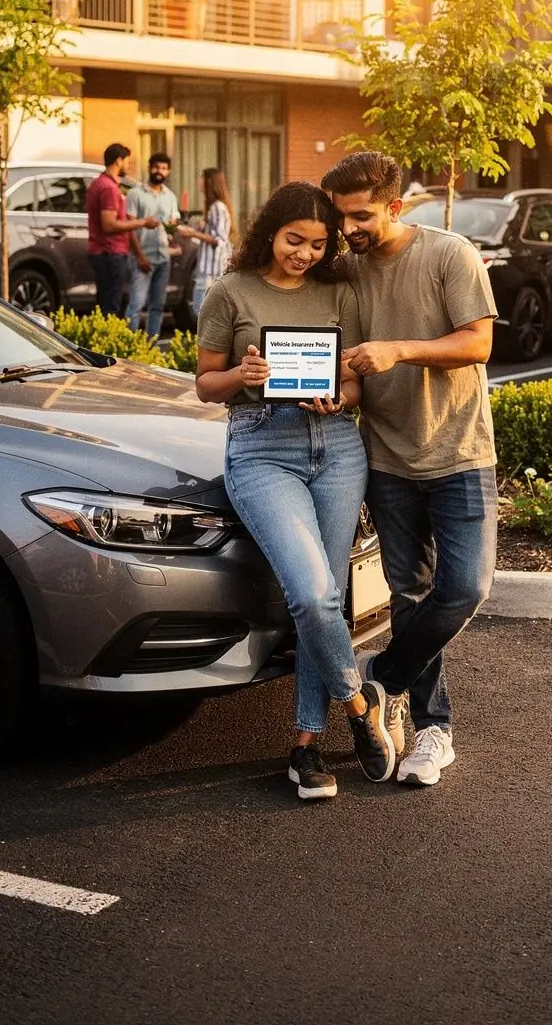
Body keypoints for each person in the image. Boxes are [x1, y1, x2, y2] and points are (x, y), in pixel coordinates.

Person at [195, 181, 394, 801]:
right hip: (261, 447)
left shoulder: (340, 290)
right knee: (310, 595)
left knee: (328, 598)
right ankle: (362, 707)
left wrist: (341, 394)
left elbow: (355, 384)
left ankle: (305, 747)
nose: (305, 253)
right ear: (268, 232)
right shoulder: (231, 291)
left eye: (317, 243)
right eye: (293, 240)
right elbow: (205, 383)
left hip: (335, 445)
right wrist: (242, 374)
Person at [321, 150, 498, 788]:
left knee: (467, 588)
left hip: (460, 453)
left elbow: (477, 343)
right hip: (388, 459)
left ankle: (381, 678)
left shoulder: (450, 254)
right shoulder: (348, 274)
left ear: (396, 207)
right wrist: (330, 391)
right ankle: (433, 730)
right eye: (343, 217)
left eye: (362, 215)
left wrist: (398, 348)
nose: (351, 229)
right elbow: (347, 371)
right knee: (411, 596)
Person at [86, 144, 158, 317]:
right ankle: (108, 341)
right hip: (110, 253)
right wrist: (143, 222)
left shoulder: (99, 183)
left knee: (105, 302)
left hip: (102, 252)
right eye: (127, 161)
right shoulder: (108, 188)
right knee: (111, 306)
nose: (128, 165)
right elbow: (109, 224)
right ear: (119, 160)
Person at [125, 152, 180, 339]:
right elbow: (129, 228)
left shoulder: (170, 197)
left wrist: (174, 232)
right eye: (156, 167)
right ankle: (128, 346)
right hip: (142, 257)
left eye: (164, 168)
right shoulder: (135, 194)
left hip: (163, 258)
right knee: (136, 304)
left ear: (168, 171)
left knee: (157, 306)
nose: (159, 171)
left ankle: (151, 348)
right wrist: (139, 256)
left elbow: (172, 227)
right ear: (149, 168)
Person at [177, 167, 235, 316]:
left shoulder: (218, 207)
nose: (199, 182)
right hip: (209, 270)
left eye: (202, 178)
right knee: (203, 312)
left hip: (212, 271)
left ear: (210, 182)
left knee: (202, 312)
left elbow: (220, 239)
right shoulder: (215, 207)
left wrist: (193, 233)